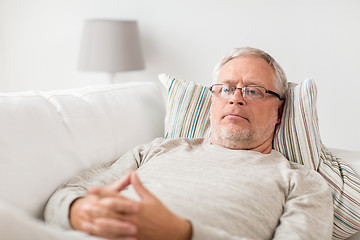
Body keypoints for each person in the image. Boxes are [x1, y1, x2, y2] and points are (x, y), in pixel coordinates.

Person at [45, 47, 333, 240]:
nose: (235, 98)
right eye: (226, 89)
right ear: (212, 101)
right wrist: (77, 211)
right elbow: (66, 194)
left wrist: (182, 233)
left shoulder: (302, 181)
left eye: (254, 91)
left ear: (279, 111)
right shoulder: (158, 149)